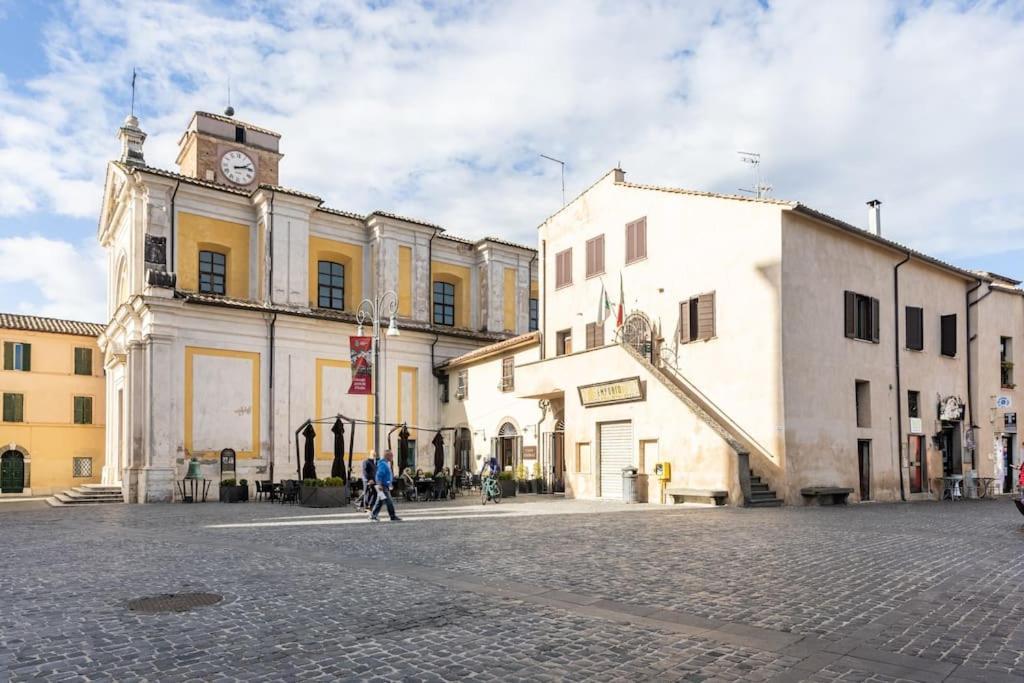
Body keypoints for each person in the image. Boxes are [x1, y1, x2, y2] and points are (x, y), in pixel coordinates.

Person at [370, 449, 402, 522]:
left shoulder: (385, 463)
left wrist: (389, 483)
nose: (392, 457)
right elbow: (379, 475)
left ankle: (373, 515)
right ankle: (392, 516)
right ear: (387, 456)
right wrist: (379, 484)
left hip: (385, 485)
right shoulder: (383, 464)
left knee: (379, 502)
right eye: (391, 455)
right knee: (389, 502)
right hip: (383, 486)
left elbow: (385, 476)